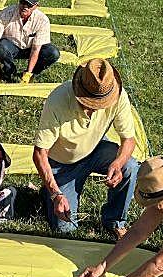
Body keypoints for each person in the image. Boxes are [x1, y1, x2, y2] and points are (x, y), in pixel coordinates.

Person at [32, 58, 139, 236]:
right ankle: (47, 194)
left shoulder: (118, 96)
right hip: (61, 165)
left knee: (130, 167)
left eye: (101, 103)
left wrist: (118, 164)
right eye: (90, 103)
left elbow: (129, 140)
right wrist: (55, 194)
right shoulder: (58, 100)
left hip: (95, 149)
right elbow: (40, 153)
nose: (96, 108)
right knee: (65, 228)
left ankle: (115, 221)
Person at [77, 155, 163, 277]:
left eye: (157, 202)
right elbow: (138, 231)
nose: (154, 208)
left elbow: (162, 263)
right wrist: (102, 266)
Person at [0, 0, 61, 83]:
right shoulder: (6, 14)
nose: (25, 6)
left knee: (53, 53)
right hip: (11, 46)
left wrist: (28, 72)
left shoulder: (42, 20)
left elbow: (35, 49)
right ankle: (9, 71)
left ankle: (32, 73)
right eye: (22, 3)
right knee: (1, 46)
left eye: (29, 5)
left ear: (36, 6)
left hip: (31, 48)